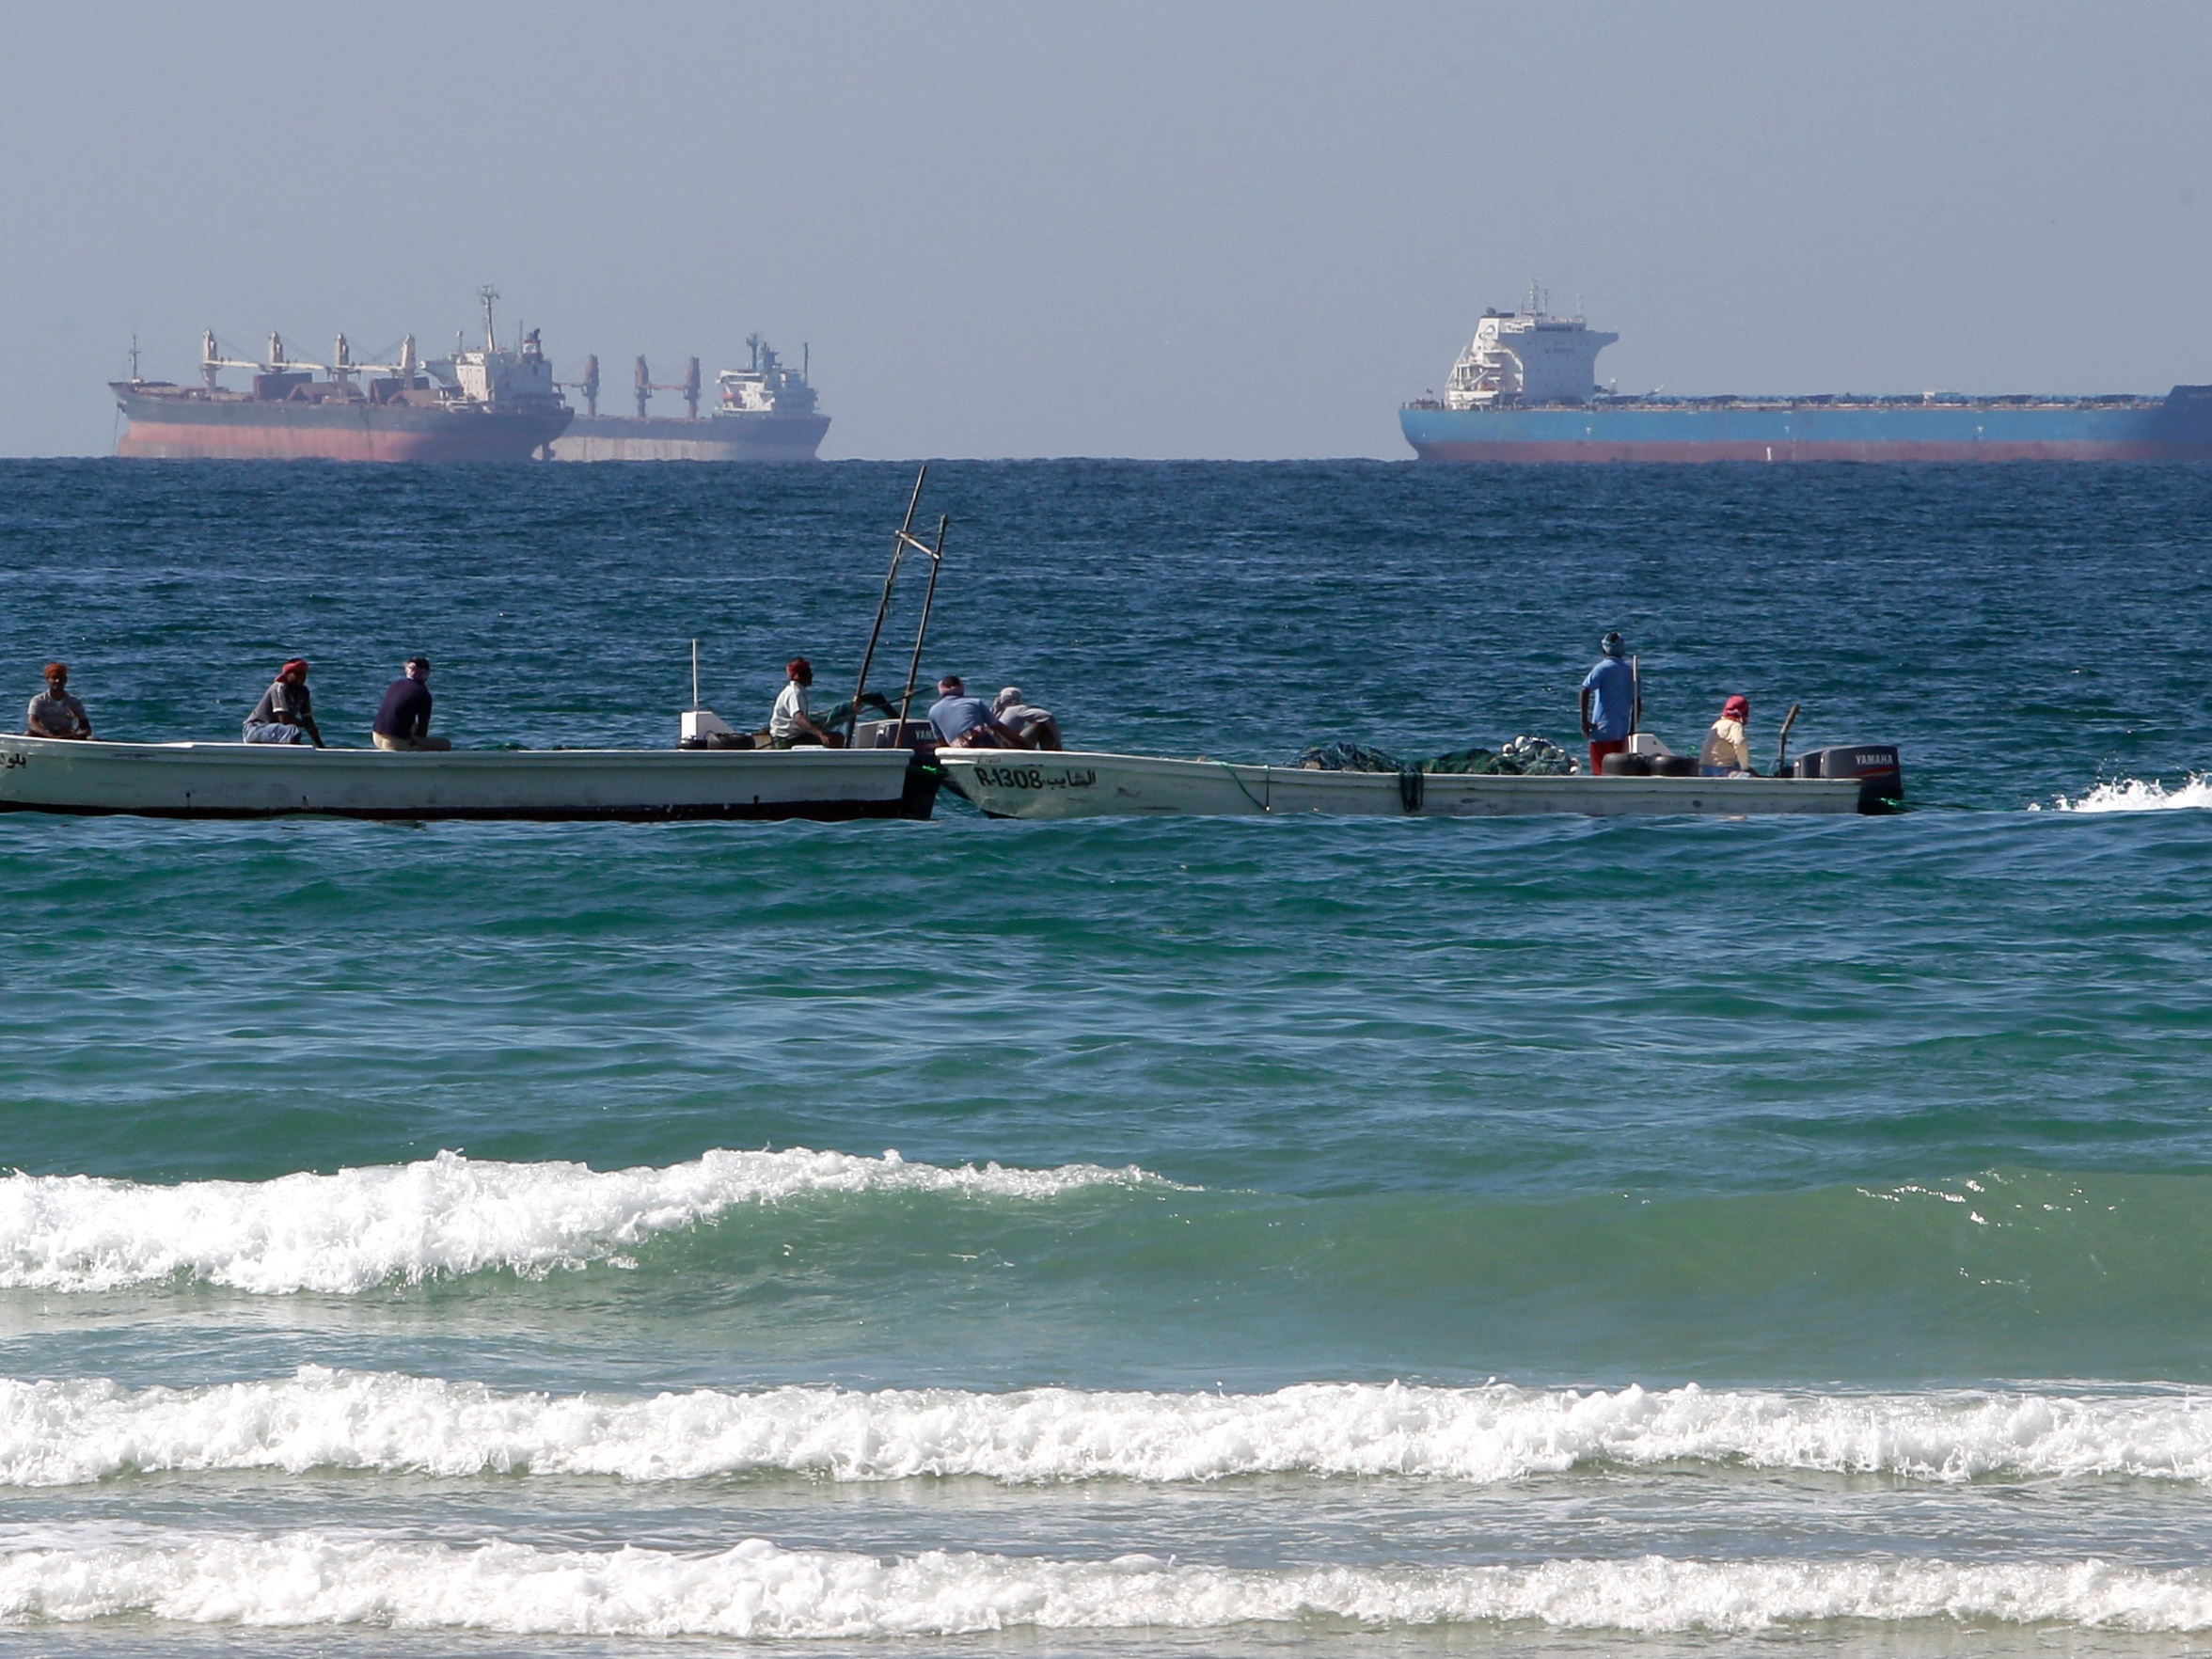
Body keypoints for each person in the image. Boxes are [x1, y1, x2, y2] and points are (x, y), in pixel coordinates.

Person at [1578, 632, 1639, 776]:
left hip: (1602, 730)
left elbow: (1585, 691)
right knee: (1617, 772)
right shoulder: (1630, 672)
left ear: (1604, 649)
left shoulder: (1601, 669)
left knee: (1600, 772)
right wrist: (1633, 728)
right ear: (1623, 650)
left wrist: (1584, 721)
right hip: (1622, 731)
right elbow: (1637, 701)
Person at [372, 656, 451, 751]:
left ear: (407, 670)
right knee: (445, 744)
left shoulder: (396, 684)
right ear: (425, 672)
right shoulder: (423, 693)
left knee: (411, 722)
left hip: (376, 737)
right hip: (395, 743)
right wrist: (417, 741)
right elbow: (423, 727)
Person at [928, 674, 1028, 748]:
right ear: (961, 687)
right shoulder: (975, 703)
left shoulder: (933, 711)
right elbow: (1000, 728)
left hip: (959, 749)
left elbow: (942, 743)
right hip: (983, 742)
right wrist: (1025, 745)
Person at [244, 659, 324, 747]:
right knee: (291, 731)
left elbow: (308, 719)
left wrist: (321, 747)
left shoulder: (303, 692)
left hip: (275, 731)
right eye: (297, 674)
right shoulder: (279, 688)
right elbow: (284, 719)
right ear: (287, 675)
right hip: (255, 729)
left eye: (303, 674)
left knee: (290, 732)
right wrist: (306, 725)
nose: (301, 677)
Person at [768, 656, 841, 748]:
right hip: (788, 739)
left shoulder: (794, 690)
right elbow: (798, 718)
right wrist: (820, 735)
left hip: (786, 736)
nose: (811, 675)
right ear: (798, 676)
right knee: (836, 738)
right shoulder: (795, 693)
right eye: (808, 673)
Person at [25, 662, 92, 740]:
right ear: (47, 680)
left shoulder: (74, 702)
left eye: (61, 678)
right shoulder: (38, 700)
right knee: (27, 734)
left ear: (66, 680)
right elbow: (32, 724)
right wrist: (51, 736)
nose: (57, 681)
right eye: (54, 678)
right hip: (44, 737)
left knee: (93, 739)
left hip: (67, 737)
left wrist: (76, 736)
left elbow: (86, 728)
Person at [992, 687, 1063, 750]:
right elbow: (1047, 716)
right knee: (1042, 723)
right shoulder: (1017, 709)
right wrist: (1058, 742)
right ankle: (1051, 751)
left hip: (997, 744)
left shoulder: (995, 712)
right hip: (1011, 745)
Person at [1699, 694, 1753, 776]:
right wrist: (1745, 767)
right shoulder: (1735, 725)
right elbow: (1740, 743)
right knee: (1748, 775)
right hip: (1721, 770)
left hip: (1704, 770)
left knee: (1736, 764)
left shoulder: (1717, 724)